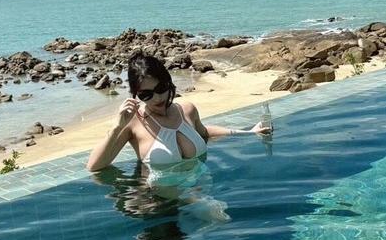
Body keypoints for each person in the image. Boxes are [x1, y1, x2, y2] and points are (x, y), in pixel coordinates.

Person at [86, 52, 273, 172]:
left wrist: (249, 132)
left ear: (168, 82)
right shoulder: (133, 123)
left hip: (200, 188)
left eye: (161, 88)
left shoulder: (186, 109)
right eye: (146, 95)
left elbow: (205, 133)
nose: (157, 98)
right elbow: (94, 167)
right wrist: (117, 127)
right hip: (160, 205)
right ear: (136, 95)